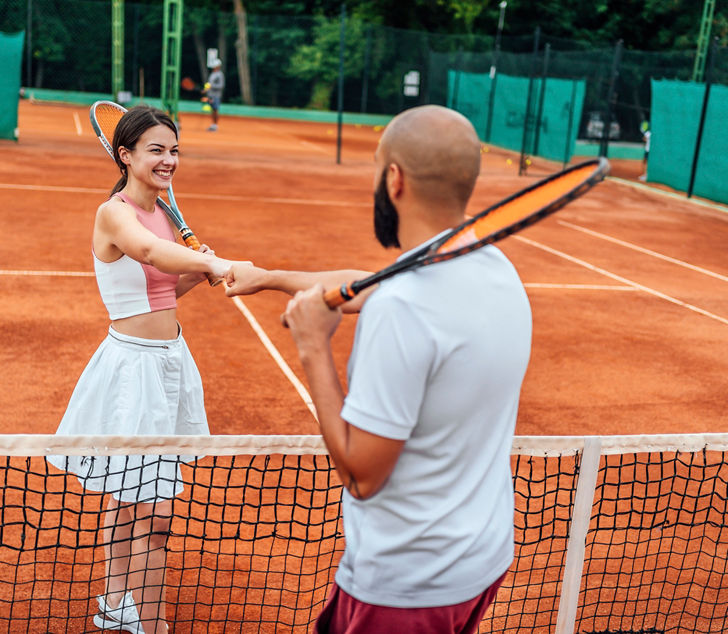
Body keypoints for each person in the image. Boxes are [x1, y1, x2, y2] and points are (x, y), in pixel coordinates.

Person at [224, 105, 533, 633]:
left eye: (375, 167)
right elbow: (375, 281)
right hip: (481, 560)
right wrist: (270, 276)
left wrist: (314, 348)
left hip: (407, 584)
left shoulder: (402, 308)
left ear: (394, 179)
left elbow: (361, 475)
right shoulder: (491, 265)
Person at [47, 105, 247, 634]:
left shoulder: (163, 212)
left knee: (132, 499)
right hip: (131, 371)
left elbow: (161, 288)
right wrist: (207, 261)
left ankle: (116, 602)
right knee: (153, 513)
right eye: (156, 150)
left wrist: (197, 271)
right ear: (126, 155)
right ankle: (152, 625)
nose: (169, 160)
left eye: (174, 150)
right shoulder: (114, 213)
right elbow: (150, 254)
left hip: (171, 365)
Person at [203, 59, 224, 132]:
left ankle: (215, 125)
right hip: (210, 95)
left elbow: (221, 86)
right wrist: (206, 90)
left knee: (215, 110)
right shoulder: (212, 74)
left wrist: (211, 86)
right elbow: (209, 85)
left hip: (216, 96)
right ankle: (213, 125)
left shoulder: (220, 75)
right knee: (212, 110)